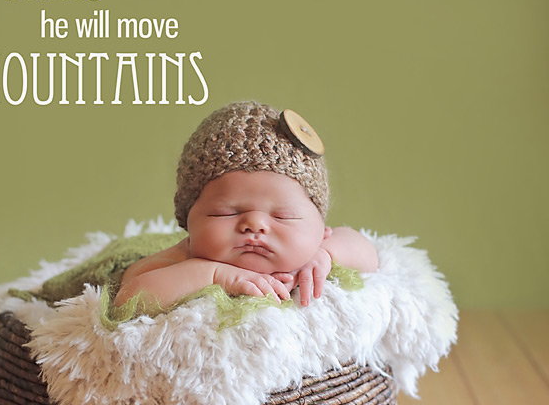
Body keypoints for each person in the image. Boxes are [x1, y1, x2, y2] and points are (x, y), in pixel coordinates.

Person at [115, 101, 378, 310]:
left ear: (321, 229)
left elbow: (369, 255)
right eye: (225, 212)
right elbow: (127, 297)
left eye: (284, 216)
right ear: (189, 221)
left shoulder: (315, 250)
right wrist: (213, 274)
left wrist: (325, 255)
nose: (255, 224)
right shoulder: (187, 258)